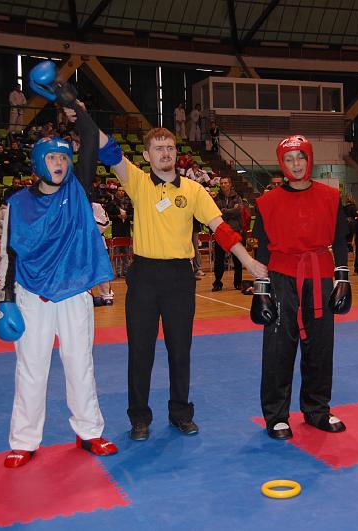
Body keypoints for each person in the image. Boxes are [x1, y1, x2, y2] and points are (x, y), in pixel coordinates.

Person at [97, 120, 266, 442]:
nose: (165, 153)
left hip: (179, 277)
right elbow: (110, 150)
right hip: (144, 276)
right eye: (158, 148)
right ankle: (139, 418)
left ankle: (180, 414)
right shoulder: (137, 182)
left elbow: (221, 229)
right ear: (147, 155)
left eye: (170, 148)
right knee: (140, 352)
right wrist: (80, 114)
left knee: (180, 350)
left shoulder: (193, 190)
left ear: (177, 153)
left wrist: (248, 261)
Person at [0, 61, 118, 468]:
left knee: (80, 365)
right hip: (30, 294)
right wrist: (5, 299)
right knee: (31, 368)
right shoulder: (17, 204)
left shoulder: (78, 190)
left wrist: (71, 103)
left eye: (64, 158)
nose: (60, 164)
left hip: (74, 291)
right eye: (52, 158)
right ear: (38, 162)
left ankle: (90, 432)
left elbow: (89, 137)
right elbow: (9, 253)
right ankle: (24, 440)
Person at [250, 135, 351, 440]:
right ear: (282, 163)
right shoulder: (267, 202)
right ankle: (276, 415)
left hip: (320, 275)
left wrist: (342, 278)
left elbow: (340, 239)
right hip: (282, 276)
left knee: (320, 346)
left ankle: (317, 409)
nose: (296, 164)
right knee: (279, 348)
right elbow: (262, 248)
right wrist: (261, 289)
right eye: (289, 159)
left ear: (309, 159)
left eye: (301, 157)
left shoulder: (330, 197)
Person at [212, 176, 244, 291]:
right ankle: (217, 283)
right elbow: (215, 212)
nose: (224, 185)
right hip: (221, 231)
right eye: (222, 183)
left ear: (230, 184)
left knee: (237, 259)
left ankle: (238, 282)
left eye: (226, 183)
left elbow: (238, 211)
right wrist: (231, 210)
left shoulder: (237, 197)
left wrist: (224, 211)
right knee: (219, 259)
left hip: (235, 231)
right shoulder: (216, 198)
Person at [91, 199, 114, 306]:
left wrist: (88, 219)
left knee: (102, 269)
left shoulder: (96, 206)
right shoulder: (72, 203)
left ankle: (107, 296)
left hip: (97, 242)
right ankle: (86, 295)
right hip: (79, 242)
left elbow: (105, 223)